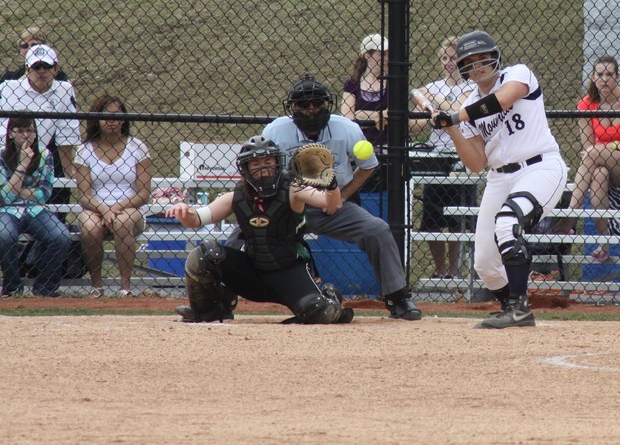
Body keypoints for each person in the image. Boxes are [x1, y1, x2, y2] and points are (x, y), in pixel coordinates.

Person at [432, 30, 568, 329]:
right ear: (463, 68)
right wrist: (450, 128)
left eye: (484, 58)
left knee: (507, 223)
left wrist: (454, 117)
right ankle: (512, 307)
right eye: (471, 62)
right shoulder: (469, 104)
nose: (478, 66)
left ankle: (519, 308)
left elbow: (502, 100)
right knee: (484, 263)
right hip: (499, 177)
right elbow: (476, 163)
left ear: (496, 57)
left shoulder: (517, 74)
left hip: (540, 168)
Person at [261, 74, 421, 320]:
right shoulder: (276, 130)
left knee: (377, 229)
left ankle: (398, 297)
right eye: (303, 104)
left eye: (317, 103)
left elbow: (368, 166)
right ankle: (219, 295)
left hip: (332, 205)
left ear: (328, 104)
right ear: (292, 107)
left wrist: (343, 196)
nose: (311, 109)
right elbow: (264, 170)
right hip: (287, 205)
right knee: (247, 229)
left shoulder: (346, 128)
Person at [166, 136, 354, 324]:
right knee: (203, 254)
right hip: (253, 273)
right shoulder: (237, 196)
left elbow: (332, 202)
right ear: (246, 168)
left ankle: (331, 298)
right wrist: (185, 212)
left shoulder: (293, 189)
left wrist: (331, 184)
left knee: (317, 311)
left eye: (268, 162)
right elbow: (196, 219)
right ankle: (210, 310)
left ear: (277, 162)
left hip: (289, 271)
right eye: (256, 164)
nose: (263, 168)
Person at [570, 55, 620, 263]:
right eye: (600, 74)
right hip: (601, 163)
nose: (604, 79)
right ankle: (604, 244)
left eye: (609, 74)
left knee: (593, 156)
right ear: (593, 77)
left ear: (617, 76)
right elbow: (587, 148)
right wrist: (616, 145)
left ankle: (571, 215)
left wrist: (612, 147)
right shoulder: (586, 105)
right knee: (598, 176)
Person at [73, 95, 152, 298]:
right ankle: (96, 286)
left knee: (122, 223)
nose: (111, 120)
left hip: (130, 208)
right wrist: (104, 209)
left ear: (124, 119)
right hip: (95, 208)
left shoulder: (137, 147)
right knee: (90, 227)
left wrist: (116, 208)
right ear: (96, 119)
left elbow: (144, 193)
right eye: (106, 116)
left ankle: (125, 287)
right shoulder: (84, 150)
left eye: (117, 115)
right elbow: (84, 196)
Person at [411, 36, 476, 279]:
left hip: (462, 157)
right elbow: (414, 126)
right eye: (445, 58)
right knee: (432, 220)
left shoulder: (471, 87)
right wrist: (428, 114)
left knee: (458, 219)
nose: (449, 63)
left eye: (454, 58)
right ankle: (440, 270)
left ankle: (454, 271)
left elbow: (457, 110)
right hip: (437, 157)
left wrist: (431, 98)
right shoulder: (434, 86)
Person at [0, 117, 72, 297]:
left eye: (30, 130)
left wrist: (14, 187)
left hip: (37, 210)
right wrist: (23, 165)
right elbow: (5, 198)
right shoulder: (1, 155)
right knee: (4, 236)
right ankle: (12, 287)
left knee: (61, 237)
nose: (26, 135)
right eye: (20, 130)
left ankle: (45, 287)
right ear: (10, 133)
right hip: (7, 211)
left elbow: (44, 195)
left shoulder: (45, 155)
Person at [0, 41, 76, 207]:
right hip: (5, 157)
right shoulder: (7, 88)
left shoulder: (64, 90)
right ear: (27, 70)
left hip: (39, 159)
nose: (41, 71)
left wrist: (69, 171)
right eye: (36, 66)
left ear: (56, 69)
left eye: (46, 66)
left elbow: (67, 134)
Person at [341, 34, 389, 149]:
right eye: (382, 54)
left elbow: (392, 114)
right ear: (367, 56)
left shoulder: (392, 82)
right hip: (359, 144)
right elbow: (347, 118)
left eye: (388, 54)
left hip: (387, 143)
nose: (387, 58)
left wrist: (361, 114)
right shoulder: (352, 84)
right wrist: (380, 116)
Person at [1, 27, 70, 83]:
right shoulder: (9, 77)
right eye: (24, 46)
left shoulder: (57, 75)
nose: (29, 49)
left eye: (34, 45)